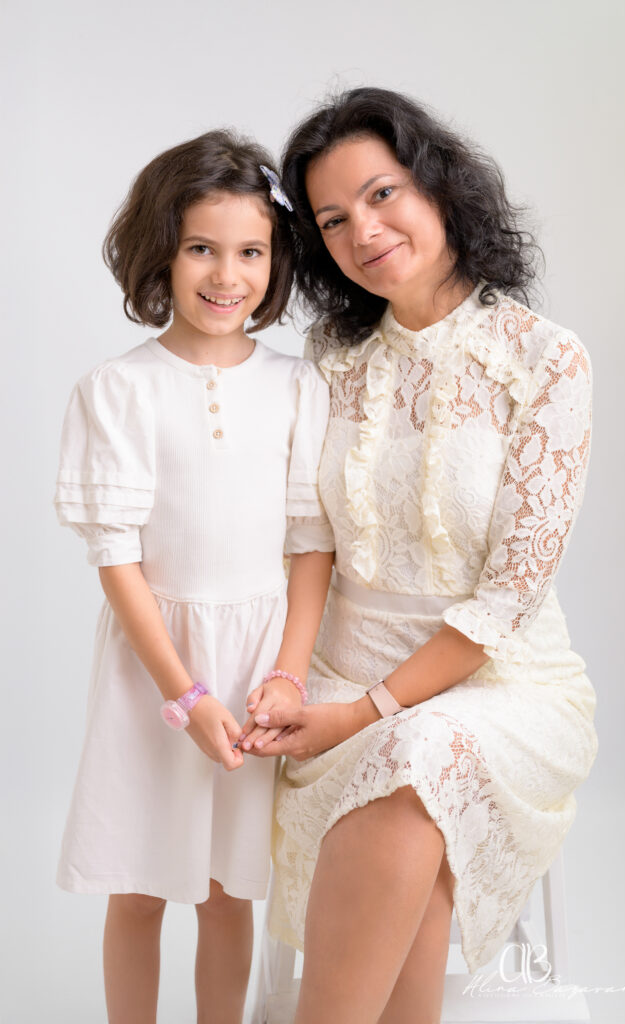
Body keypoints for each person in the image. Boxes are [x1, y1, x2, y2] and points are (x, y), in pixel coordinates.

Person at [238, 88, 598, 1024]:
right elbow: (310, 540)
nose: (362, 230)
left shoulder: (545, 360)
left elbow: (508, 600)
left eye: (381, 193)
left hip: (501, 683)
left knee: (417, 754)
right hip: (337, 673)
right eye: (331, 219)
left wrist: (364, 715)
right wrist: (292, 681)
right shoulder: (331, 355)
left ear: (437, 185)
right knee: (414, 784)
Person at [54, 130, 334, 1024]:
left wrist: (286, 675)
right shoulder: (118, 389)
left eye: (250, 251)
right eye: (201, 249)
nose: (227, 274)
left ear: (275, 260)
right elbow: (117, 559)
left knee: (225, 890)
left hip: (256, 673)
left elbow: (311, 543)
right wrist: (184, 695)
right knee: (138, 890)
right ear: (162, 254)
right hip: (155, 673)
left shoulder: (298, 386)